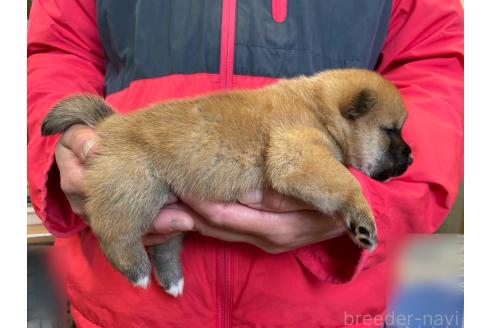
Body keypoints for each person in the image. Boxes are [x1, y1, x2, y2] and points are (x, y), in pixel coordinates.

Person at [27, 0, 463, 327]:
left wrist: (374, 202)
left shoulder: (319, 116)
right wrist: (61, 153)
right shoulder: (311, 120)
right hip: (125, 307)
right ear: (350, 112)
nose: (400, 148)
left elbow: (438, 64)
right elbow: (58, 46)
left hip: (325, 306)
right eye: (391, 135)